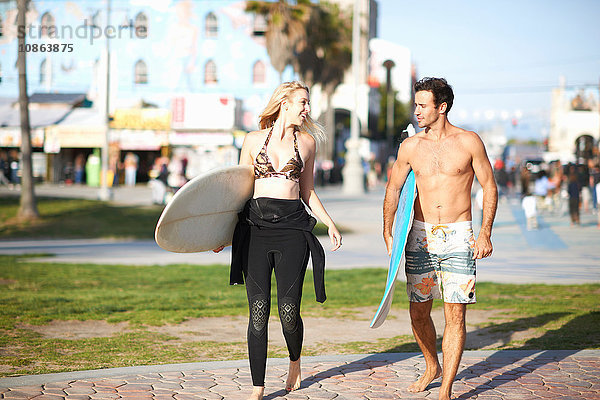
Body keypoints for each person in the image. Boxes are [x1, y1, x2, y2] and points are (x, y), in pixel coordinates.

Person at [214, 81, 342, 400]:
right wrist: (223, 233)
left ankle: (295, 361)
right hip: (256, 230)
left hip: (293, 231)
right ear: (284, 103)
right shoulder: (253, 140)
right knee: (258, 311)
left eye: (307, 103)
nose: (307, 109)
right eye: (302, 102)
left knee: (288, 312)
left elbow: (308, 191)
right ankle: (258, 388)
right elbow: (239, 191)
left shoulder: (308, 143)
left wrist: (330, 224)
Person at [383, 77, 497, 400]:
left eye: (423, 105)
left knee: (455, 313)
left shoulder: (469, 142)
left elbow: (489, 186)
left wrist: (485, 232)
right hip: (419, 234)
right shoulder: (410, 147)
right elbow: (393, 189)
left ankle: (445, 388)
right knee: (418, 311)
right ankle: (432, 364)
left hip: (460, 235)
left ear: (441, 107)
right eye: (416, 105)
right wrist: (387, 230)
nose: (416, 111)